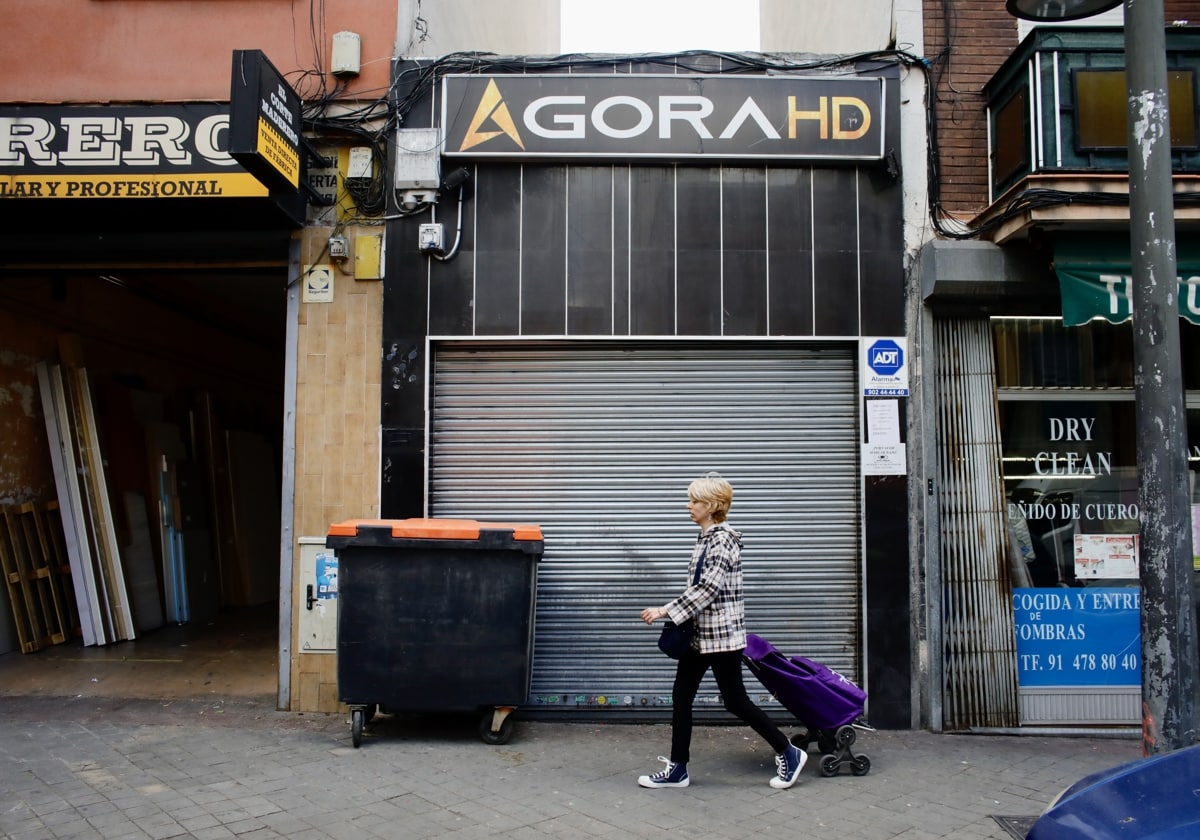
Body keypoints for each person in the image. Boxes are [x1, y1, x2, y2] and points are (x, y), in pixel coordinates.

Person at [637, 472, 806, 790]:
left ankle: (789, 752)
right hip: (700, 637)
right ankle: (678, 769)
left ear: (711, 505)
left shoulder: (723, 539)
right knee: (682, 696)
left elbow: (708, 589)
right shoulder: (705, 538)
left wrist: (665, 610)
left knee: (735, 701)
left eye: (694, 500)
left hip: (722, 637)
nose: (688, 505)